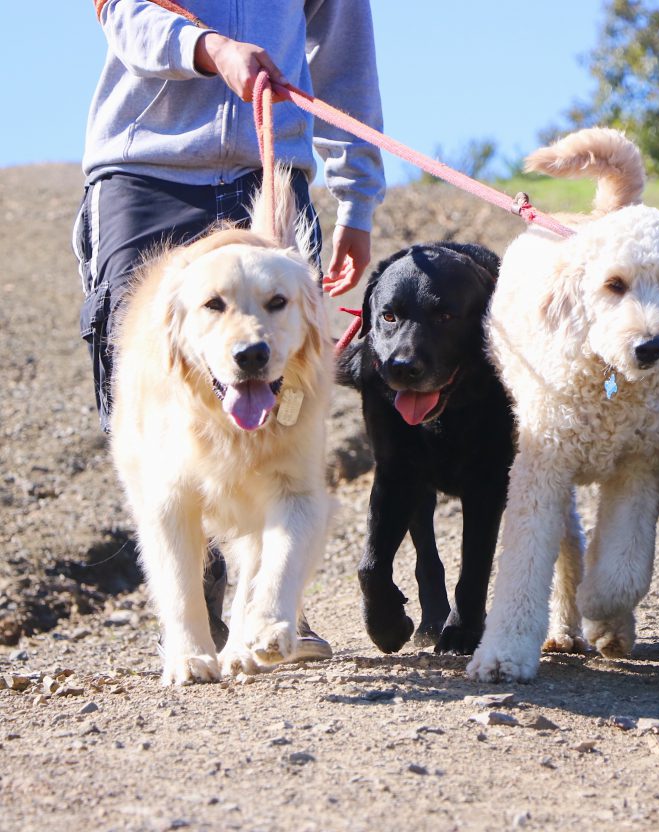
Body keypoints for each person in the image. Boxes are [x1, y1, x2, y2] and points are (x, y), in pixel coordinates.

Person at [74, 0, 387, 659]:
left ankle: (273, 608)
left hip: (269, 166)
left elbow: (346, 59)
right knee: (152, 408)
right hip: (146, 169)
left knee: (285, 382)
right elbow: (123, 11)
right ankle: (195, 623)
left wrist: (357, 198)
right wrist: (210, 48)